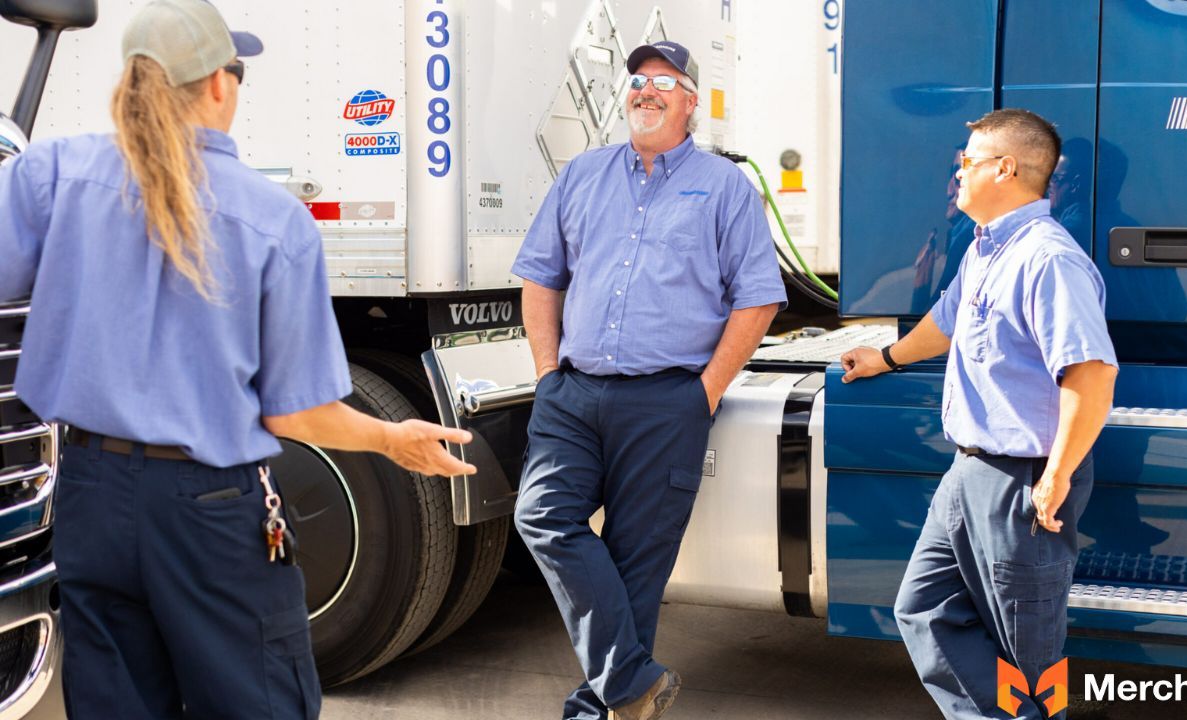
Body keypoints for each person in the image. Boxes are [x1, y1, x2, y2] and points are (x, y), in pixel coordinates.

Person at [0, 2, 475, 718]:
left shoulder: (53, 175)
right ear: (219, 85)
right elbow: (297, 411)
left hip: (89, 498)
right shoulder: (271, 220)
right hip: (208, 511)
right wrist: (388, 437)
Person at [511, 40, 786, 720]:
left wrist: (706, 391)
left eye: (664, 81)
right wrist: (547, 373)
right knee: (541, 516)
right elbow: (541, 277)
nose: (646, 91)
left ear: (691, 103)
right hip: (572, 395)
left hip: (668, 400)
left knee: (637, 561)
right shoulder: (581, 175)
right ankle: (631, 682)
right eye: (637, 81)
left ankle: (599, 708)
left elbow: (758, 297)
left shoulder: (725, 187)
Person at [840, 109, 1118, 719]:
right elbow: (945, 321)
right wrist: (885, 357)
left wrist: (1057, 474)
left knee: (1030, 658)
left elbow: (1092, 373)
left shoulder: (1047, 259)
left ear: (1006, 167)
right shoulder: (988, 248)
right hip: (970, 472)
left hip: (1024, 479)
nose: (955, 174)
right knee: (925, 609)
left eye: (965, 161)